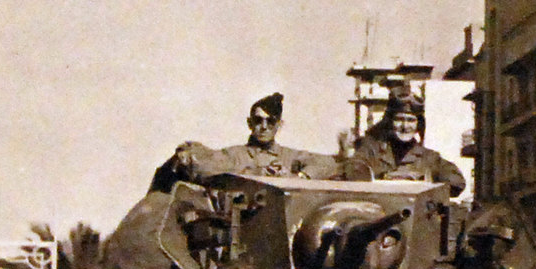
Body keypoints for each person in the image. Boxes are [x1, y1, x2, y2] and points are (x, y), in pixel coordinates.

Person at [163, 93, 339, 186]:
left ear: (279, 125)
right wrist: (255, 174)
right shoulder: (233, 154)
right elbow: (202, 164)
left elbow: (328, 164)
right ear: (249, 123)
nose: (263, 127)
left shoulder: (290, 156)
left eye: (270, 122)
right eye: (258, 120)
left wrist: (299, 178)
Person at [345, 94, 468, 194]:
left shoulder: (429, 158)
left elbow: (457, 183)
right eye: (399, 119)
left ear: (418, 125)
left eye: (411, 120)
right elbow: (352, 170)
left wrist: (428, 182)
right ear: (389, 122)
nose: (404, 126)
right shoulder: (371, 151)